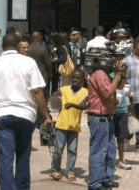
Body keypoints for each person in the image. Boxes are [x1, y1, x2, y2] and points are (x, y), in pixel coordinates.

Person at [0, 32, 53, 190]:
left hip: (2, 116)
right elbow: (37, 91)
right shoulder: (29, 63)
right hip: (25, 115)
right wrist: (46, 116)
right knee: (23, 157)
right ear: (18, 46)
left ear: (2, 46)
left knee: (5, 159)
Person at [87, 58, 125, 190]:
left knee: (110, 150)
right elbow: (108, 93)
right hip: (99, 118)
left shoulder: (106, 75)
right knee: (98, 151)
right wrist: (118, 74)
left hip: (107, 118)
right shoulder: (99, 73)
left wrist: (122, 75)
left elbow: (119, 87)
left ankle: (106, 178)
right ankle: (95, 183)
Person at [51, 69, 88, 182]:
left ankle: (70, 171)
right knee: (58, 149)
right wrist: (55, 100)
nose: (75, 80)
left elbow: (83, 106)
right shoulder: (63, 89)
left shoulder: (85, 92)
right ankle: (55, 169)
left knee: (72, 150)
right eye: (74, 78)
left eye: (78, 78)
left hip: (74, 127)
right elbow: (53, 97)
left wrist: (72, 105)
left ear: (82, 80)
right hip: (61, 125)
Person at [113, 69, 132, 171]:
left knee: (121, 137)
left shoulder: (126, 80)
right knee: (110, 137)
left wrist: (131, 111)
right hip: (113, 111)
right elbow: (118, 87)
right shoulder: (112, 76)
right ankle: (109, 160)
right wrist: (121, 76)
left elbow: (129, 95)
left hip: (123, 110)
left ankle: (121, 159)